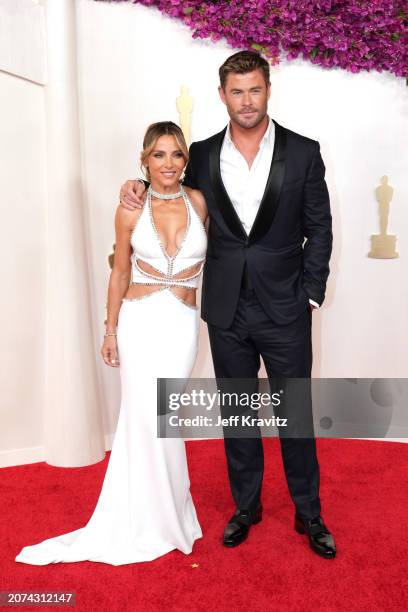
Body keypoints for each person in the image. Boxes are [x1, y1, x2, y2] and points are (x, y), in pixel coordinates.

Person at [120, 51, 336, 559]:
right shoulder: (200, 152)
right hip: (226, 307)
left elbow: (320, 228)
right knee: (238, 413)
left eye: (254, 90)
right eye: (236, 91)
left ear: (267, 90)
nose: (246, 101)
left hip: (286, 307)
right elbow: (167, 184)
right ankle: (247, 506)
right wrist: (137, 188)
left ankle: (309, 512)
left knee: (294, 414)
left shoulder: (303, 152)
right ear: (222, 96)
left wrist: (309, 292)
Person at [15, 121, 208, 566]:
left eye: (176, 154)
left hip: (181, 324)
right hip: (139, 322)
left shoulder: (198, 201)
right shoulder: (128, 210)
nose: (168, 163)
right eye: (158, 155)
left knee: (165, 416)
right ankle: (146, 519)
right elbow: (120, 271)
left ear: (185, 160)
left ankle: (171, 512)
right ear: (144, 161)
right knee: (145, 416)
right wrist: (109, 328)